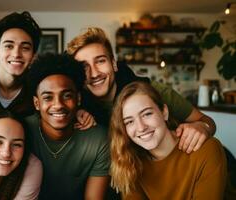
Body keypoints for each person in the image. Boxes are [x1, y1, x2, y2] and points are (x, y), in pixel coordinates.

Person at [67, 27, 216, 154]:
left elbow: (206, 121)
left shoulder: (153, 91)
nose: (94, 73)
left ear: (114, 64)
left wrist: (202, 127)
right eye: (84, 66)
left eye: (100, 61)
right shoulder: (77, 105)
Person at [109, 81, 227, 199]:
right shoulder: (130, 162)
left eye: (147, 114)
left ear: (164, 112)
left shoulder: (206, 149)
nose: (141, 127)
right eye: (129, 122)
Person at [25, 53, 110, 200]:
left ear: (78, 99)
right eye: (47, 97)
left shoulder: (99, 139)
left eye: (67, 96)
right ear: (37, 103)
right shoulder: (22, 131)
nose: (58, 105)